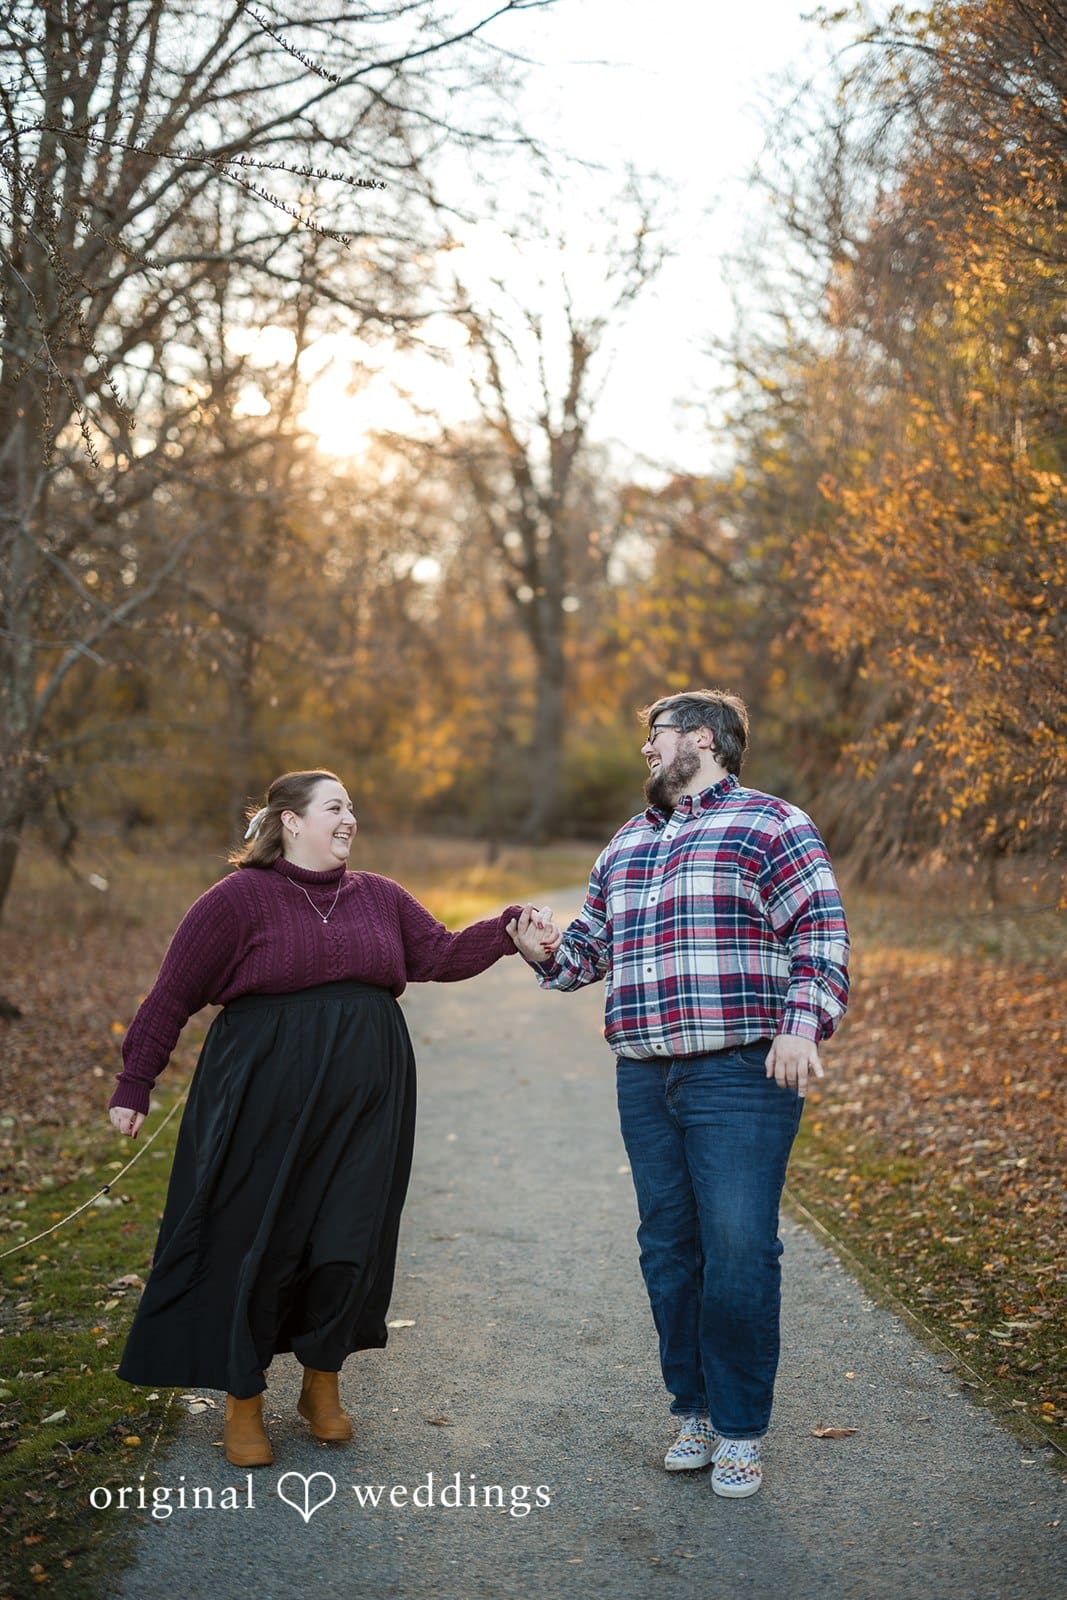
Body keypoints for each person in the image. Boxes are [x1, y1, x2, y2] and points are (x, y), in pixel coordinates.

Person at [108, 769, 530, 1470]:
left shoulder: (379, 895)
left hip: (368, 1098)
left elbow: (440, 954)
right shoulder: (236, 900)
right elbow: (172, 994)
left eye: (352, 808)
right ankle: (243, 1400)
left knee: (348, 1237)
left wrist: (506, 927)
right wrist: (134, 1082)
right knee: (257, 1238)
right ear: (289, 820)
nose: (348, 819)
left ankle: (321, 1385)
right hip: (262, 1094)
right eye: (335, 807)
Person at [508, 691, 849, 1499]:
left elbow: (820, 934)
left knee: (737, 1250)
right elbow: (585, 955)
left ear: (702, 739)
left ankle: (738, 1430)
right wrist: (539, 951)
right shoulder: (626, 842)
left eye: (654, 739)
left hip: (739, 1074)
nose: (646, 754)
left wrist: (801, 1025)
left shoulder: (771, 824)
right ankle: (691, 1410)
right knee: (667, 1250)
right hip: (643, 1074)